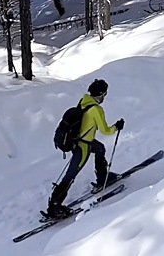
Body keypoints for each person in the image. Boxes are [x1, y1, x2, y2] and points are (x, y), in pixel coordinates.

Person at [46, 79, 125, 219]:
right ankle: (54, 207)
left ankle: (102, 177)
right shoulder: (96, 109)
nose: (104, 97)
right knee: (71, 175)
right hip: (84, 145)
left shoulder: (84, 101)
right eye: (104, 94)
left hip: (78, 140)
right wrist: (117, 127)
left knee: (100, 149)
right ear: (100, 94)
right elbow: (105, 130)